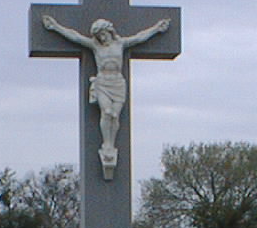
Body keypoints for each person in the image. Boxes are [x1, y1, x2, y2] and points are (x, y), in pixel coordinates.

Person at [42, 15, 170, 178]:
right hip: (102, 82)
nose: (102, 38)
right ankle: (107, 144)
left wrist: (157, 29)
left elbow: (139, 38)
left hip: (117, 83)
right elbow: (75, 37)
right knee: (106, 112)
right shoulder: (96, 46)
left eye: (103, 34)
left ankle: (111, 144)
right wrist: (56, 27)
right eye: (99, 36)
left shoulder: (121, 43)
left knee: (115, 116)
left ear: (109, 31)